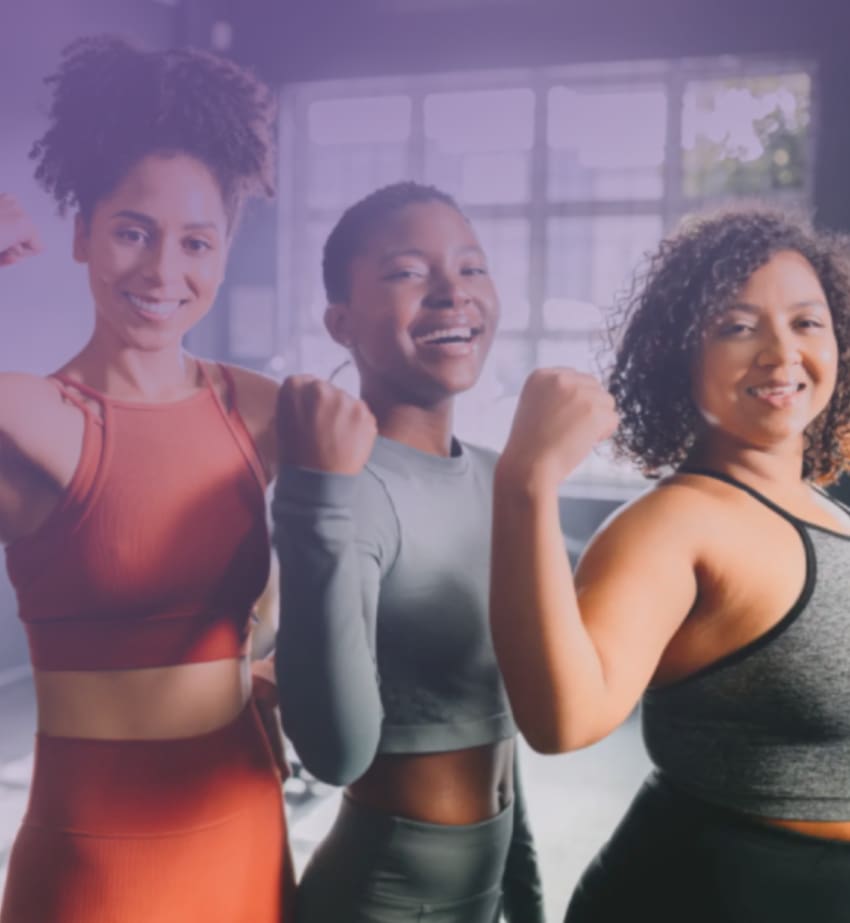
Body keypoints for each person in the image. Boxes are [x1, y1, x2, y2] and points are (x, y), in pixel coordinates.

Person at [0, 35, 293, 923]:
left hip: (246, 832)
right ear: (83, 232)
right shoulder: (25, 418)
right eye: (132, 231)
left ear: (225, 248)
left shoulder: (267, 411)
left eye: (196, 241)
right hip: (94, 873)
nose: (165, 271)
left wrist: (271, 672)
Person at [489, 205, 850, 922]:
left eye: (807, 321)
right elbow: (563, 720)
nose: (781, 353)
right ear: (678, 354)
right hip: (708, 892)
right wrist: (525, 481)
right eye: (737, 326)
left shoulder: (827, 510)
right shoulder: (673, 523)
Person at [273, 181, 546, 923]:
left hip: (482, 890)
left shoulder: (503, 476)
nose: (452, 293)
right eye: (407, 273)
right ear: (341, 322)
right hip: (381, 897)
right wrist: (315, 497)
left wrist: (524, 902)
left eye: (471, 267)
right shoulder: (343, 492)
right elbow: (334, 753)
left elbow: (499, 736)